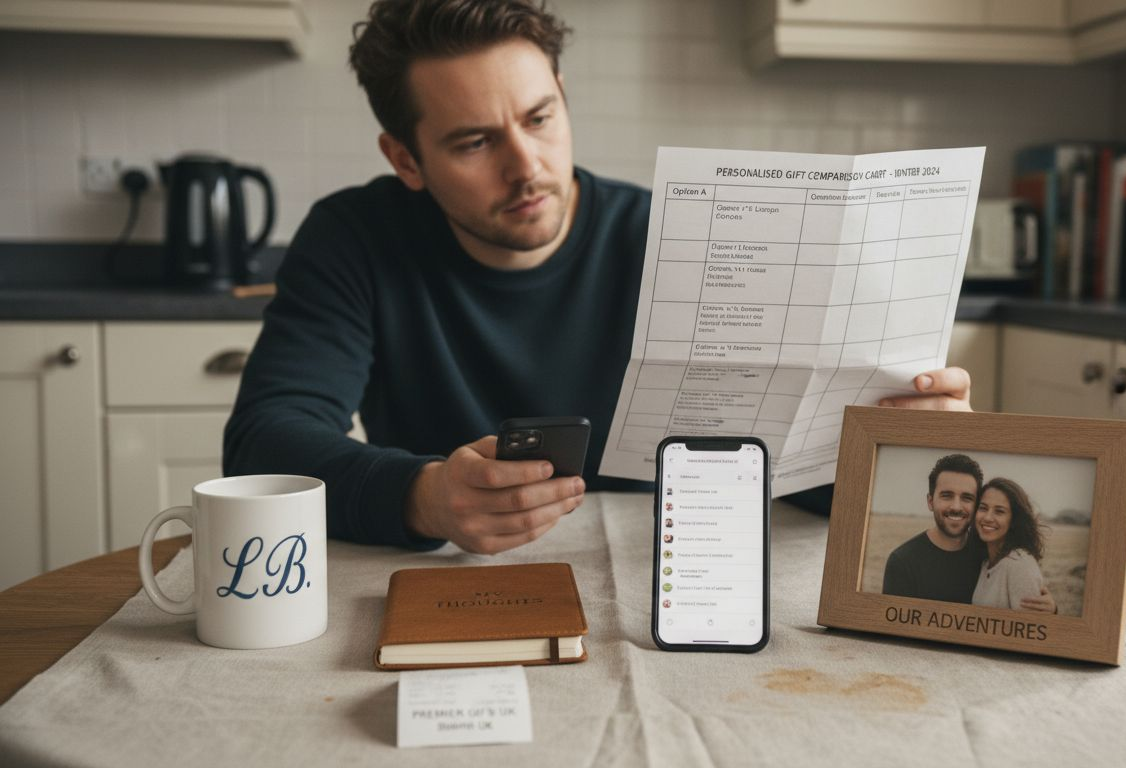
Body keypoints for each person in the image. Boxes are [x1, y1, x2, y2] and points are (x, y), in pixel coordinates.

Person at [223, 0, 972, 556]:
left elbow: (782, 471)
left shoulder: (677, 237)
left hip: (670, 574)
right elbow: (263, 444)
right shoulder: (354, 238)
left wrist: (896, 445)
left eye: (539, 118)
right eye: (475, 142)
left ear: (562, 94)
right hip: (453, 577)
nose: (526, 167)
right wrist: (425, 499)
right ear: (405, 160)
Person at [882, 455, 1054, 612]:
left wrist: (1052, 611)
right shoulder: (903, 562)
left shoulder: (987, 553)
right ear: (930, 501)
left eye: (967, 498)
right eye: (947, 496)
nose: (956, 507)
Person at [969, 478, 1047, 611]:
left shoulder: (1019, 564)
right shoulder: (986, 562)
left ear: (1014, 520)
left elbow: (1032, 623)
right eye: (983, 508)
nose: (987, 517)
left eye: (999, 511)